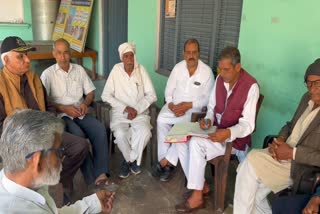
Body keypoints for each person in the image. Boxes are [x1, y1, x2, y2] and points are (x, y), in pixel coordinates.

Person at [0, 36, 88, 200]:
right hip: (20, 143)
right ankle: (40, 193)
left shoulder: (34, 78)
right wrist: (27, 139)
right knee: (35, 163)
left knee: (80, 145)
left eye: (27, 54)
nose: (27, 60)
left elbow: (49, 107)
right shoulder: (1, 84)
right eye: (20, 56)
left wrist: (51, 130)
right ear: (5, 59)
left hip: (44, 133)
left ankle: (63, 178)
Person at [175, 47, 260, 212]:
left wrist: (228, 133)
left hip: (234, 142)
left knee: (195, 144)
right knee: (180, 142)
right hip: (215, 131)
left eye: (226, 70)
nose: (222, 74)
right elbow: (212, 107)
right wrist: (207, 120)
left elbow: (248, 124)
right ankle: (202, 185)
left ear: (238, 67)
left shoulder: (251, 86)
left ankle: (197, 196)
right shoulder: (221, 79)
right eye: (220, 69)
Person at [233, 58, 320, 214]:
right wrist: (280, 139)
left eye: (317, 83)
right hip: (282, 153)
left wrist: (292, 153)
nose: (312, 89)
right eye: (309, 84)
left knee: (249, 164)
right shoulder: (306, 98)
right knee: (256, 194)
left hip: (300, 167)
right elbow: (290, 125)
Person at [0, 109, 115, 214]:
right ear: (38, 161)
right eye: (59, 151)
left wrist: (93, 204)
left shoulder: (14, 180)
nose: (62, 157)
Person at [41, 38, 110, 187]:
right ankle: (92, 178)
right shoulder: (47, 74)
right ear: (54, 54)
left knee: (99, 130)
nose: (63, 57)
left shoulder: (78, 70)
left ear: (70, 53)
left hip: (80, 112)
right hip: (61, 116)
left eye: (66, 52)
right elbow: (44, 101)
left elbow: (91, 91)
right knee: (78, 137)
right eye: (59, 53)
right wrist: (64, 108)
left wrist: (85, 103)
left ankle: (101, 172)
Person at [153, 38, 214, 182]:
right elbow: (168, 91)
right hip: (174, 107)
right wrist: (171, 105)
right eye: (188, 52)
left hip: (194, 112)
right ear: (184, 54)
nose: (191, 56)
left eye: (194, 52)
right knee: (161, 120)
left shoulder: (207, 72)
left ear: (199, 53)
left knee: (180, 130)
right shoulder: (178, 68)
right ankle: (165, 159)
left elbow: (208, 99)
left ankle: (165, 163)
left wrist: (189, 105)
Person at [101, 42, 157, 178]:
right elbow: (105, 95)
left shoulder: (141, 70)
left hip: (139, 112)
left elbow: (152, 95)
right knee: (120, 134)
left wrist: (136, 109)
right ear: (122, 58)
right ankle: (131, 160)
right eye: (126, 56)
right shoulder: (116, 70)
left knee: (145, 132)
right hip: (121, 113)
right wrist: (125, 108)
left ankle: (129, 160)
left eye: (131, 55)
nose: (130, 59)